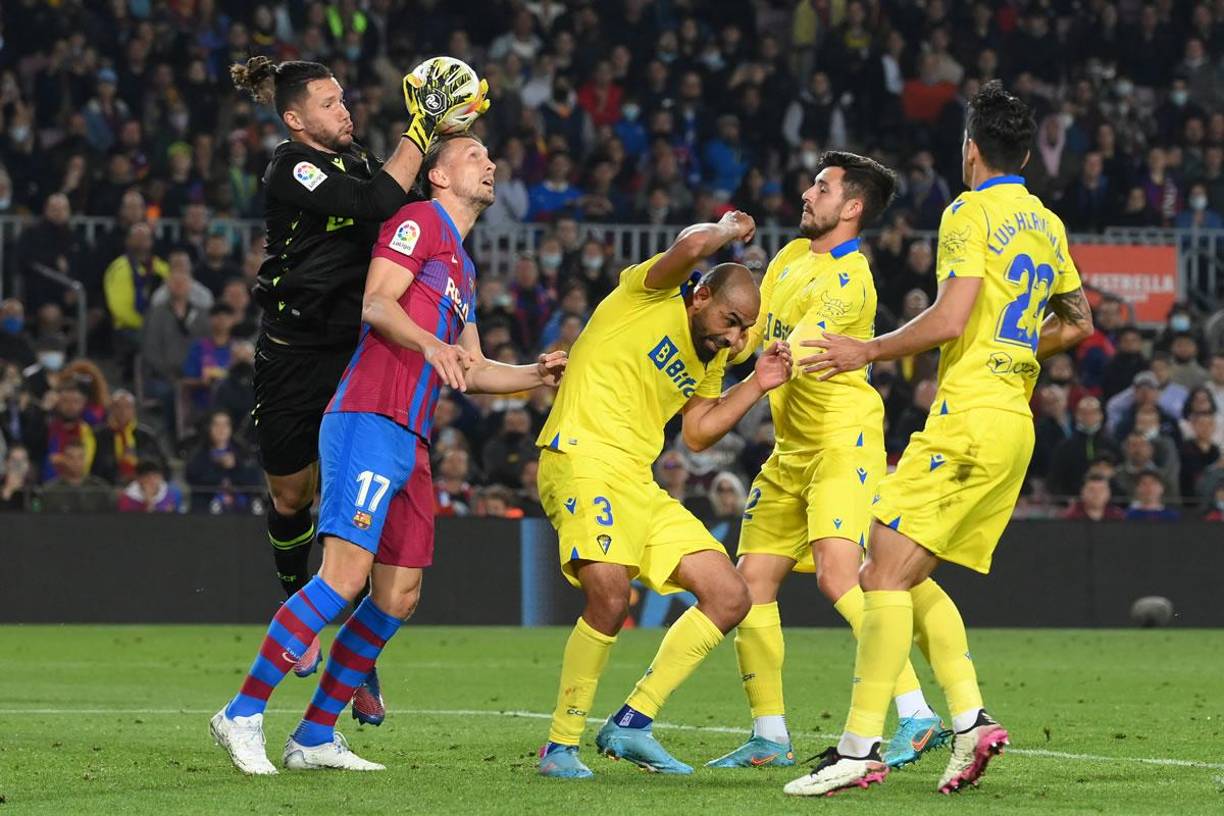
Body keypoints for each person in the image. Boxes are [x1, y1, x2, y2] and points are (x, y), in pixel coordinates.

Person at [212, 133, 560, 775]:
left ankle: (315, 736)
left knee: (399, 593)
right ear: (438, 175)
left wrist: (538, 374)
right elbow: (376, 303)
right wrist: (431, 344)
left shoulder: (465, 265)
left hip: (413, 434)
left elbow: (474, 368)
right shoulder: (416, 220)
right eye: (476, 155)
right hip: (370, 412)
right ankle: (241, 712)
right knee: (343, 577)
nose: (491, 162)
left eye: (491, 153)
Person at [785, 82, 1093, 797]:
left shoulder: (968, 211)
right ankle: (969, 720)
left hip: (970, 416)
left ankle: (860, 750)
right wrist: (1015, 351)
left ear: (971, 150)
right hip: (1014, 421)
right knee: (901, 568)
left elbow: (951, 318)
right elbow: (1076, 321)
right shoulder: (1046, 223)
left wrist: (867, 350)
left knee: (880, 574)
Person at [226, 54, 488, 717]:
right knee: (292, 496)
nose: (344, 110)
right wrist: (422, 129)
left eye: (344, 99)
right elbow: (375, 204)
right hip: (292, 354)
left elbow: (411, 209)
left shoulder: (368, 162)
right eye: (329, 103)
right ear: (296, 119)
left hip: (356, 356)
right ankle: (298, 603)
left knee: (358, 536)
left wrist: (448, 141)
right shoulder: (292, 167)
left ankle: (355, 662)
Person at [706, 151, 945, 772]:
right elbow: (752, 340)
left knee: (841, 575)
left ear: (853, 207)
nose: (808, 194)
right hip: (791, 448)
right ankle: (769, 733)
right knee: (750, 584)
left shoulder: (851, 279)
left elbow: (783, 352)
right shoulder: (788, 258)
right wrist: (720, 335)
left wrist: (735, 345)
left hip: (844, 441)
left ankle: (916, 714)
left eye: (823, 187)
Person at [534, 209, 793, 779]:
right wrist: (727, 230)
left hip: (636, 481)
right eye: (730, 318)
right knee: (609, 596)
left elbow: (698, 433)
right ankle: (560, 745)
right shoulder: (646, 295)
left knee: (729, 595)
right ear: (701, 294)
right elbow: (690, 245)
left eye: (744, 329)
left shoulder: (711, 354)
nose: (734, 336)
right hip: (580, 457)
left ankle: (632, 723)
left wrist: (754, 383)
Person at [39, 440, 113, 513]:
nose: (76, 462)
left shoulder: (100, 489)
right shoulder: (50, 491)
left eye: (80, 457)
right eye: (71, 457)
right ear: (64, 459)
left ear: (85, 459)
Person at [117, 459, 183, 512]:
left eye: (155, 476)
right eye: (147, 476)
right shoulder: (126, 500)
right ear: (138, 479)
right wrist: (149, 504)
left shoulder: (173, 494)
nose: (152, 481)